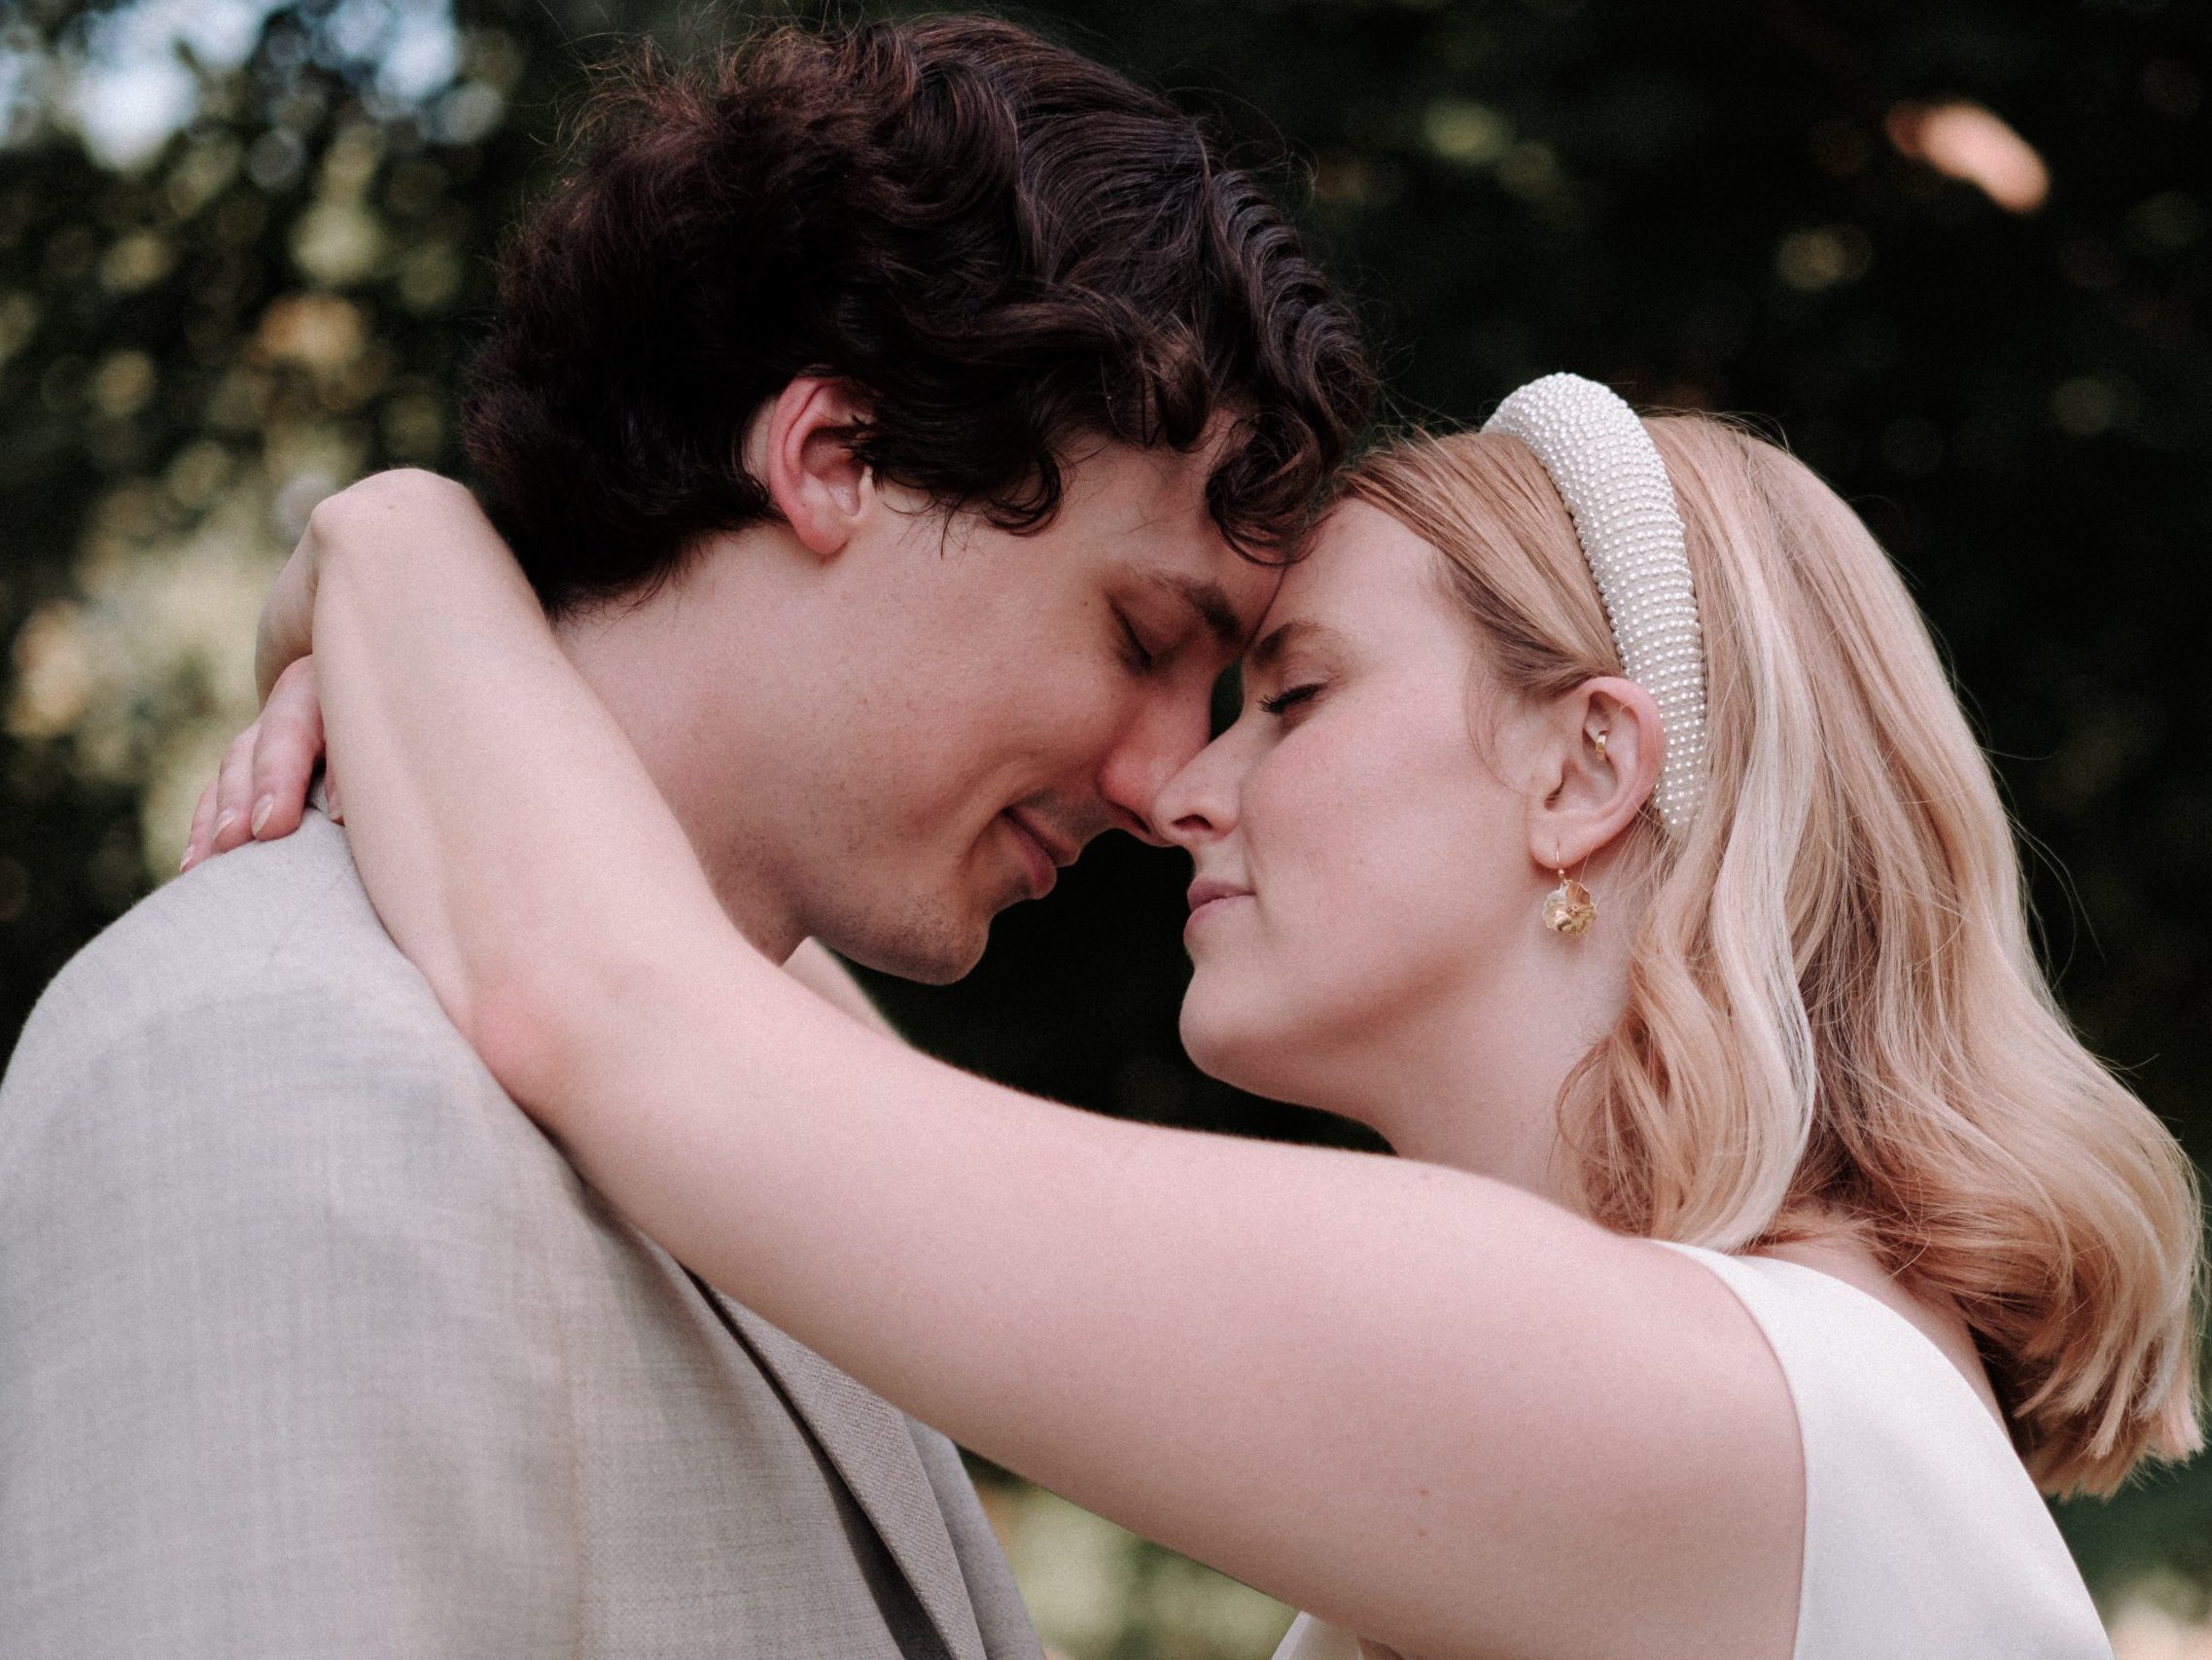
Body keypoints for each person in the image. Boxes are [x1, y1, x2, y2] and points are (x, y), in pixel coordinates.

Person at [209, 375, 2205, 1660]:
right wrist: (482, 705)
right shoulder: (1758, 1392)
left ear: (1582, 772)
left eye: (1296, 693)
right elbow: (742, 988)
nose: (1180, 786)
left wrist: (395, 536)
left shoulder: (1701, 1401)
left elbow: (642, 1026)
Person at [0, 17, 1367, 1657]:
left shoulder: (805, 1134)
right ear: (835, 458)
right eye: (1145, 639)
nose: (1168, 784)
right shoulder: (272, 1062)